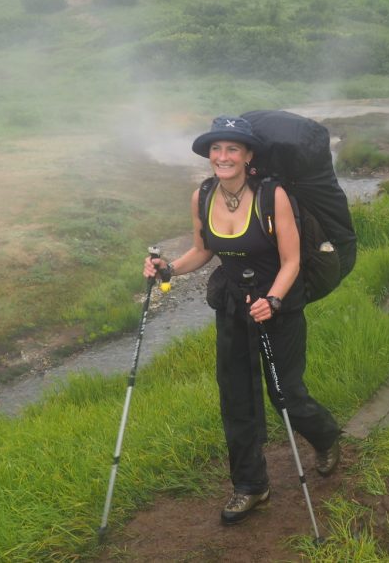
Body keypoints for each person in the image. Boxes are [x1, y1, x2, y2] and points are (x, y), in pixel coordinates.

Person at [143, 115, 341, 525]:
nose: (223, 156)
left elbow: (292, 261)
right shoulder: (202, 195)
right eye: (216, 149)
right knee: (236, 398)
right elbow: (202, 250)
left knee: (286, 394)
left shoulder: (273, 196)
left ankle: (325, 436)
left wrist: (273, 299)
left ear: (249, 155)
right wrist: (168, 269)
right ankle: (251, 486)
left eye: (232, 148)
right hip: (233, 308)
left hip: (278, 305)